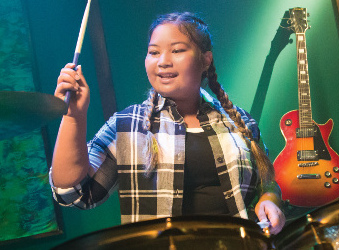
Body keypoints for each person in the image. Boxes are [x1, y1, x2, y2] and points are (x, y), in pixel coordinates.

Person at [50, 12, 285, 234]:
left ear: (205, 60)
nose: (162, 62)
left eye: (177, 50)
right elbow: (74, 192)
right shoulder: (127, 126)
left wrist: (269, 199)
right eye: (153, 52)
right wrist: (73, 115)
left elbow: (267, 183)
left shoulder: (239, 121)